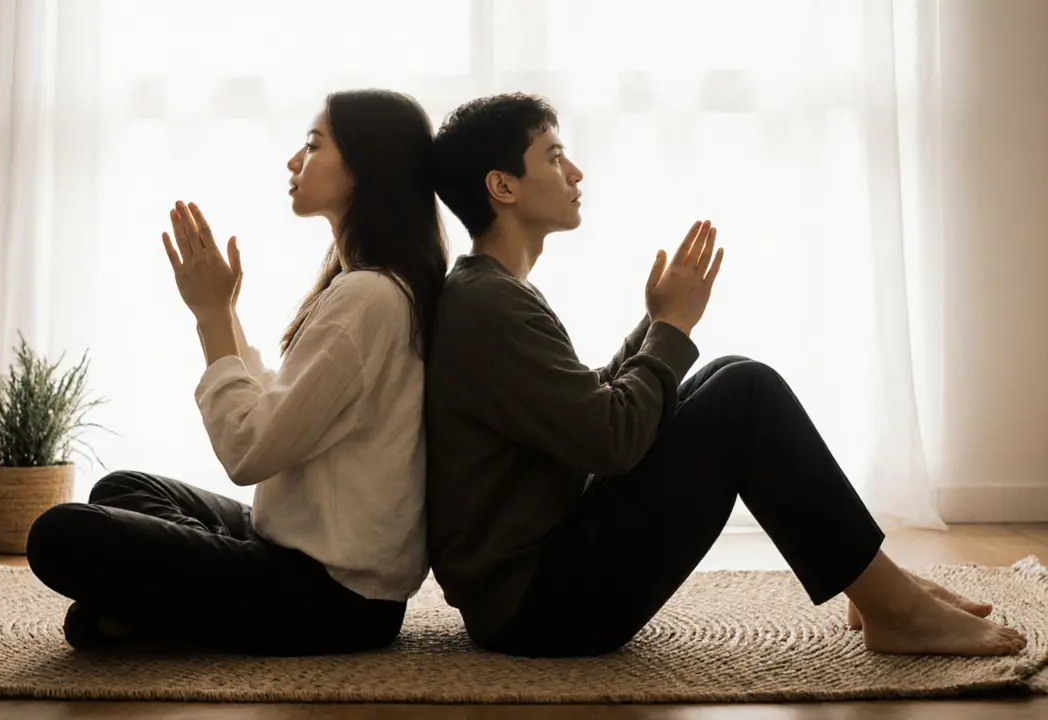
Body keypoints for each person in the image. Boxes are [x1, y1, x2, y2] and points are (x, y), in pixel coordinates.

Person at [423, 92, 1027, 659]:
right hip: (538, 611)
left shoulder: (492, 293)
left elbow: (581, 418)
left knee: (728, 373)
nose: (575, 172)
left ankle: (875, 587)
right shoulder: (488, 305)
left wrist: (656, 322)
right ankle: (892, 606)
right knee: (743, 393)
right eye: (554, 157)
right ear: (502, 185)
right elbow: (612, 441)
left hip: (540, 586)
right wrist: (672, 329)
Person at [25, 89, 448, 655]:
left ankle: (157, 607)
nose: (294, 162)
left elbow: (248, 450)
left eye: (313, 145)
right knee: (121, 489)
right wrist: (221, 315)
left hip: (335, 599)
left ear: (365, 166)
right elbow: (284, 411)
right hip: (298, 551)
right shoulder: (371, 286)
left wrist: (211, 317)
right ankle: (164, 605)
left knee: (59, 534)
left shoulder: (369, 297)